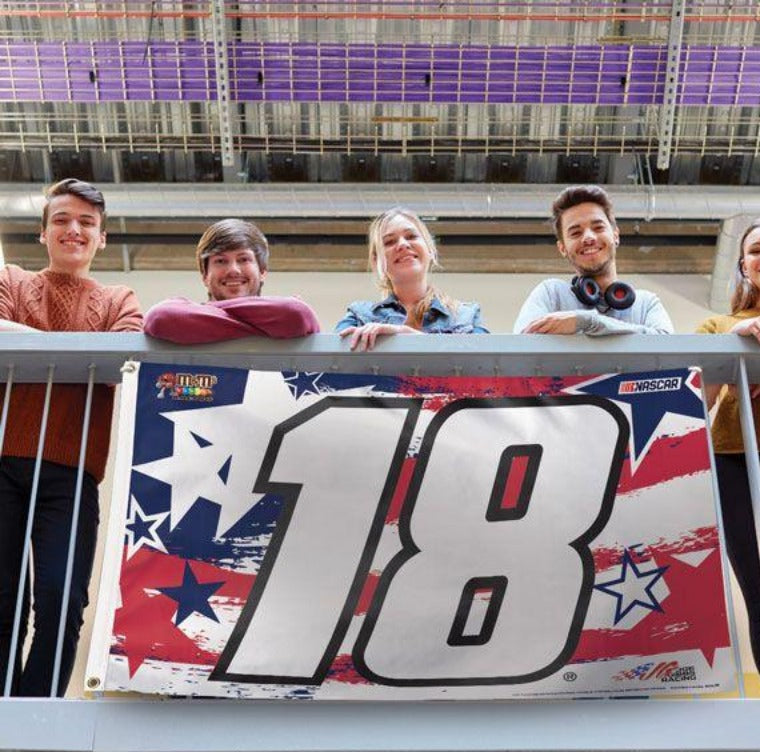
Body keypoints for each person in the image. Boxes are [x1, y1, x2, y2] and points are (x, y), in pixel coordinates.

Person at [0, 178, 143, 696]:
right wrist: (75, 350)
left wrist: (36, 350)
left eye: (86, 223)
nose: (73, 230)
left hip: (72, 471)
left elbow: (123, 357)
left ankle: (35, 707)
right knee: (3, 599)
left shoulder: (117, 296)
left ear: (101, 238)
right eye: (61, 220)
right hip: (2, 462)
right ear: (43, 233)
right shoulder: (12, 280)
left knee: (63, 599)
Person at [698, 217, 760, 698]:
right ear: (742, 266)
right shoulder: (720, 324)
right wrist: (739, 347)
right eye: (755, 251)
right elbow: (698, 399)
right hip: (735, 459)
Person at [513, 185, 673, 336]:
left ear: (615, 236)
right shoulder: (551, 294)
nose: (588, 237)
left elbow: (670, 347)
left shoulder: (645, 304)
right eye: (576, 233)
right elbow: (518, 348)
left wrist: (586, 321)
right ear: (562, 248)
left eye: (598, 228)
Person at [144, 218, 319, 343]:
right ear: (205, 276)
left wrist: (206, 310)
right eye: (220, 261)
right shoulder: (279, 318)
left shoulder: (287, 314)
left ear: (263, 271)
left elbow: (295, 314)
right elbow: (161, 317)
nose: (233, 270)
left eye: (244, 259)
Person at [336, 207, 488, 350]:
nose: (402, 244)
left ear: (430, 250)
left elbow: (486, 368)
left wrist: (408, 336)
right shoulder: (358, 316)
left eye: (411, 236)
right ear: (376, 262)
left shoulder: (466, 316)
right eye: (389, 242)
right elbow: (327, 364)